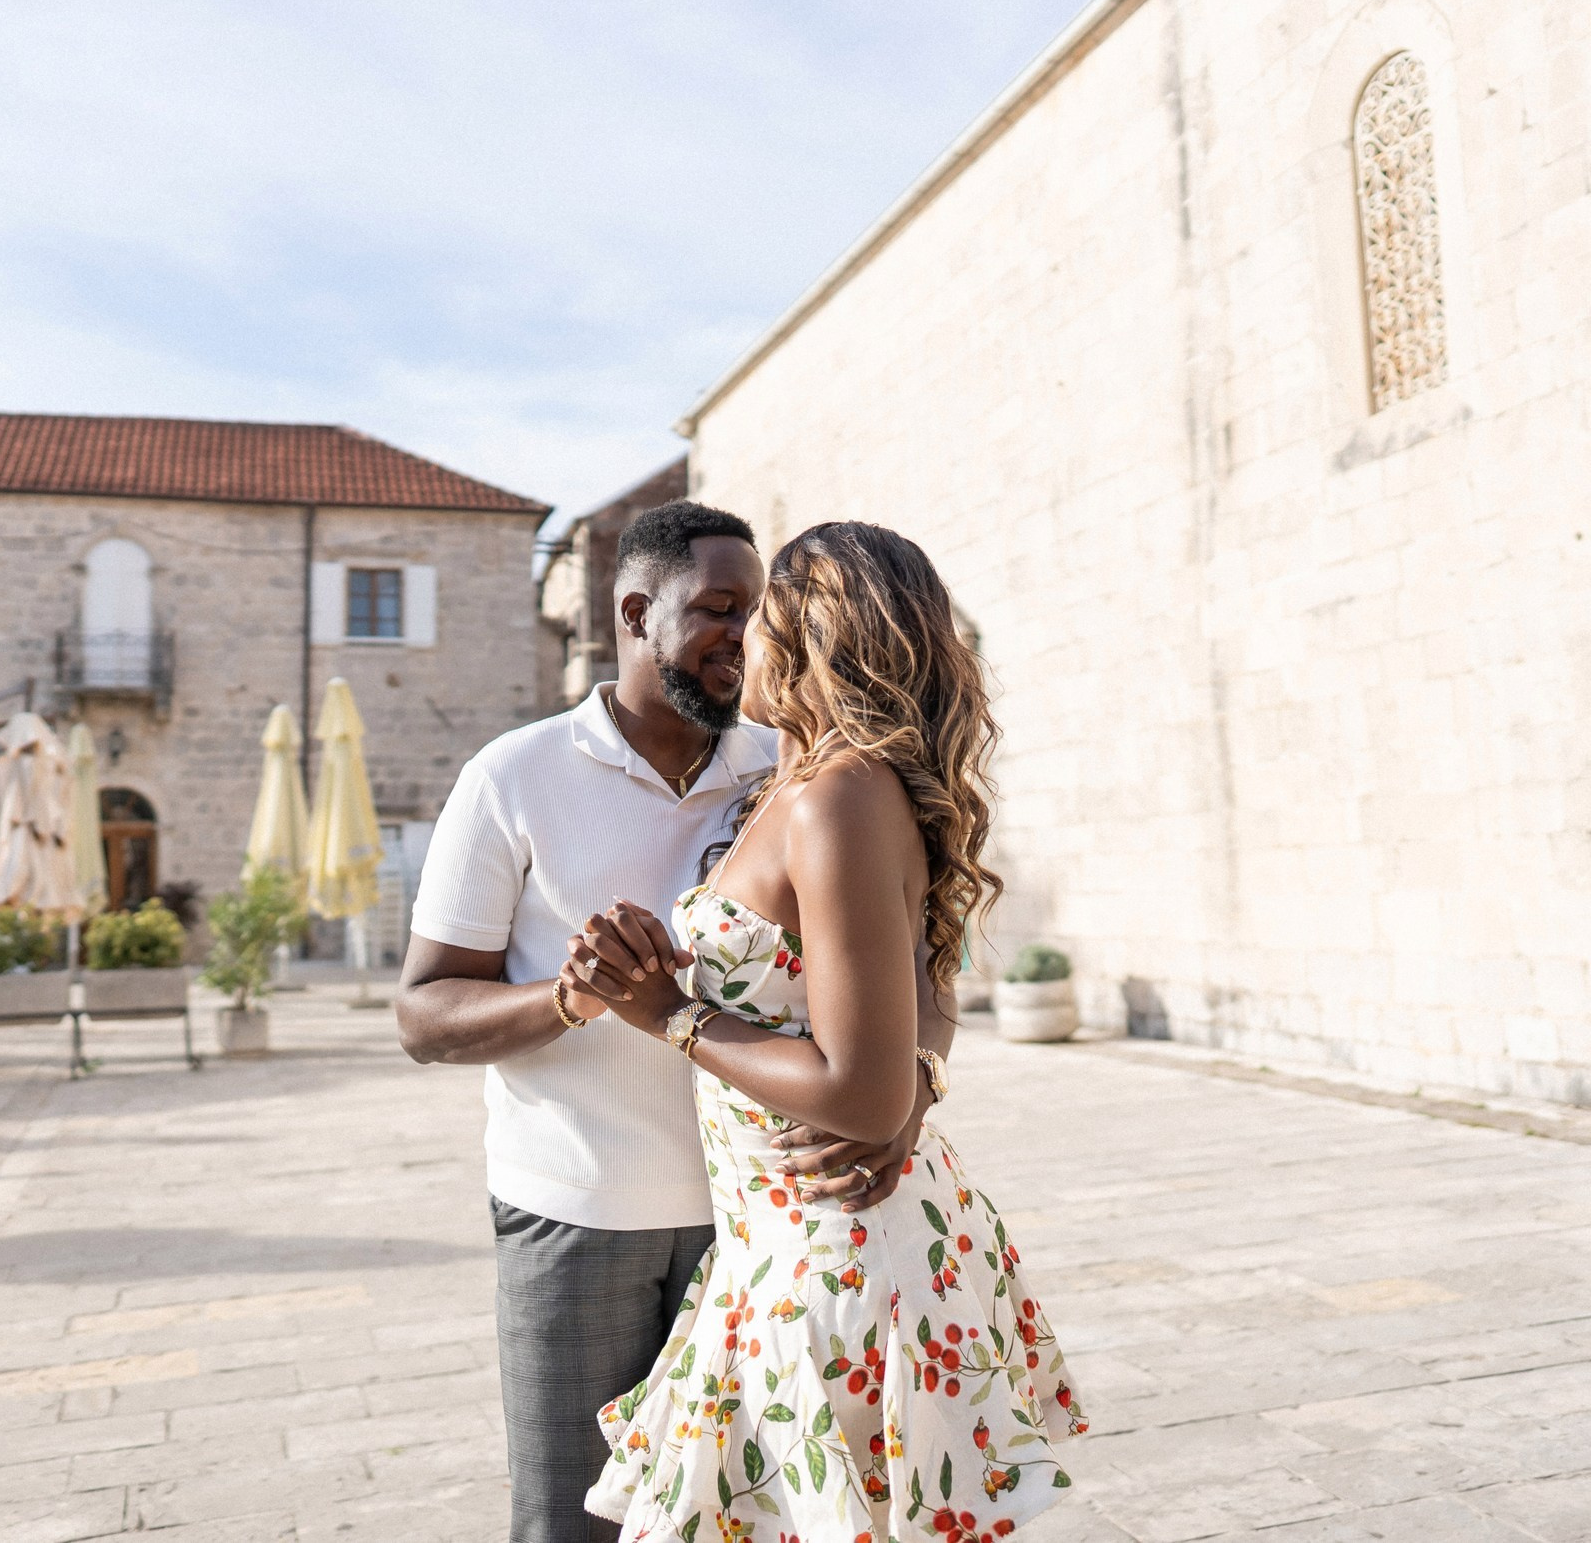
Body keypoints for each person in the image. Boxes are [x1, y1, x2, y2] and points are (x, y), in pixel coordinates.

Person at [400, 501, 950, 1543]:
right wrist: (569, 997)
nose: (744, 636)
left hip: (764, 1229)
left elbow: (925, 959)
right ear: (635, 613)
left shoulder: (792, 765)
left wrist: (909, 1087)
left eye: (759, 610)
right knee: (575, 1526)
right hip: (579, 1218)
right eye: (718, 609)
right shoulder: (512, 777)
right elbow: (424, 1014)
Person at [562, 520, 1086, 1541]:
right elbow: (919, 975)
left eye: (761, 611)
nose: (743, 634)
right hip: (781, 1241)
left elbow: (860, 1094)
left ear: (810, 634)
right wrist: (918, 1074)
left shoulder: (838, 796)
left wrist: (668, 1013)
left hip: (834, 1251)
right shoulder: (801, 783)